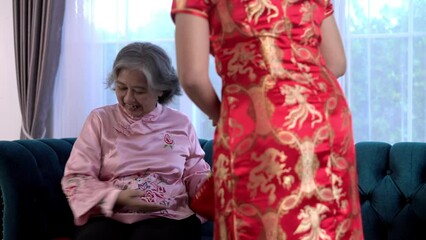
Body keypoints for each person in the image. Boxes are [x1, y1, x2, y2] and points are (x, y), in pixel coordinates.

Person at [172, 1, 364, 239]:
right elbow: (336, 63)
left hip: (258, 119)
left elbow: (192, 77)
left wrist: (219, 114)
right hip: (326, 119)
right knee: (328, 226)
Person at [61, 42, 211, 240]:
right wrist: (115, 197)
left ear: (161, 89)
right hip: (110, 215)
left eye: (139, 91)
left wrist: (212, 186)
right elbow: (76, 177)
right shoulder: (100, 120)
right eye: (122, 88)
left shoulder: (180, 123)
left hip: (169, 215)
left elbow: (196, 173)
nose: (128, 98)